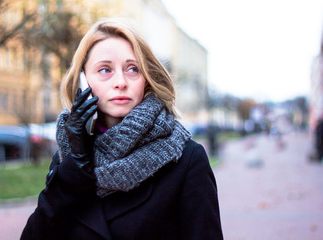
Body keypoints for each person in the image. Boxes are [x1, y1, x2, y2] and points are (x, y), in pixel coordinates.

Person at [21, 18, 223, 240]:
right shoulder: (69, 158)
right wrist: (75, 166)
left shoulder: (187, 160)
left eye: (133, 69)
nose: (120, 82)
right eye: (105, 70)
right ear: (83, 81)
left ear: (146, 79)